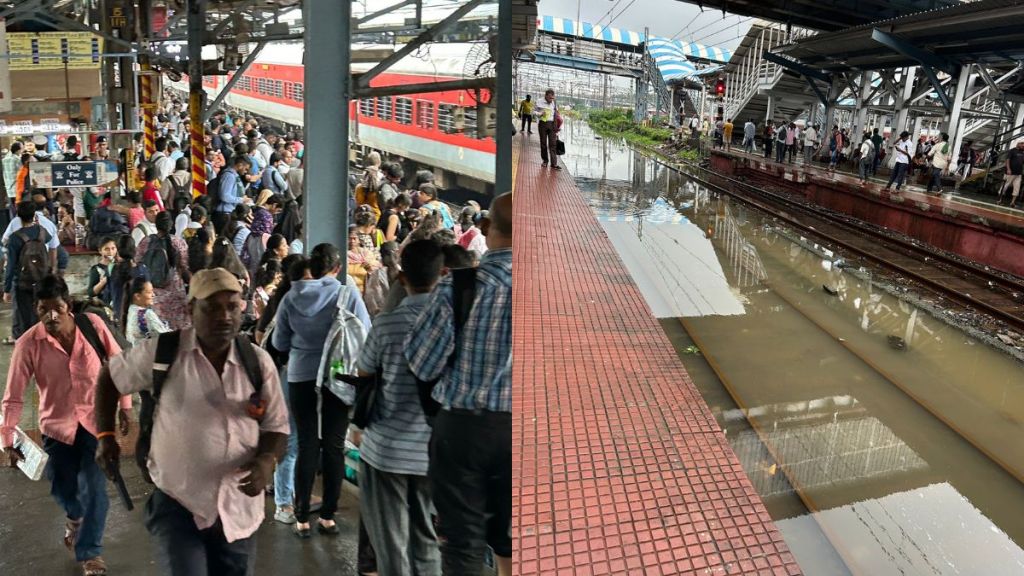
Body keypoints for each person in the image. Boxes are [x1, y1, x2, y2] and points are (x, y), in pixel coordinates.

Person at [95, 268, 289, 576]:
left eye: (232, 306)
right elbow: (109, 377)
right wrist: (105, 434)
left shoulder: (257, 363)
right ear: (190, 310)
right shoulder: (163, 352)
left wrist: (267, 460)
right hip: (177, 502)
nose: (224, 316)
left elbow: (276, 427)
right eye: (211, 308)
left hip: (237, 508)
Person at [405, 191, 512, 575]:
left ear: (485, 228)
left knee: (463, 547)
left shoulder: (461, 287)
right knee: (514, 539)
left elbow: (421, 362)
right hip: (526, 435)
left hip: (463, 430)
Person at [3, 275, 132, 576]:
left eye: (57, 308)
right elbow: (12, 397)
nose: (51, 316)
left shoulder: (93, 326)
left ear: (68, 306)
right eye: (43, 309)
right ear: (35, 309)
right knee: (64, 489)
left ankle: (90, 554)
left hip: (96, 425)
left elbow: (118, 365)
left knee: (96, 489)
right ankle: (74, 518)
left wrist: (125, 406)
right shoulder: (28, 344)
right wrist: (7, 439)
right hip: (56, 430)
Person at [356, 240, 444, 574]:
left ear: (402, 277)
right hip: (431, 451)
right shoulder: (449, 326)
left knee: (391, 542)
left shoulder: (386, 323)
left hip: (386, 450)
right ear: (441, 275)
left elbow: (365, 372)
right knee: (426, 537)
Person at [272, 243, 371, 538]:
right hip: (337, 378)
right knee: (334, 446)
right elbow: (364, 331)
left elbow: (279, 343)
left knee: (305, 445)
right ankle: (327, 516)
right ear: (336, 268)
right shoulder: (346, 293)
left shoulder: (290, 297)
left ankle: (301, 518)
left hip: (300, 377)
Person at [4, 200, 58, 341]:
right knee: (40, 309)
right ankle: (42, 336)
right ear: (34, 215)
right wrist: (52, 270)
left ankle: (23, 341)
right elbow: (53, 245)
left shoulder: (15, 238)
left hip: (21, 281)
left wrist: (6, 288)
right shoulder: (42, 232)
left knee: (22, 313)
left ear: (18, 216)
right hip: (41, 278)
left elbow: (10, 266)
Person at [138, 211, 191, 330]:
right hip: (175, 291)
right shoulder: (178, 243)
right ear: (171, 225)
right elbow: (184, 266)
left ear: (156, 225)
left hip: (154, 291)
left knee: (160, 328)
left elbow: (138, 262)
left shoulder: (145, 242)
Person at [122, 276, 171, 346]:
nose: (153, 295)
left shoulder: (130, 311)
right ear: (137, 296)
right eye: (149, 292)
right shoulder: (146, 314)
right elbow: (167, 337)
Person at [213, 155, 250, 234]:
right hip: (223, 214)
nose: (246, 171)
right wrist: (241, 200)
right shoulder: (229, 176)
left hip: (228, 212)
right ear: (240, 165)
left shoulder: (234, 176)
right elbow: (224, 196)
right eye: (246, 169)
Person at [86, 237, 118, 307]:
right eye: (107, 249)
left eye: (113, 248)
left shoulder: (119, 266)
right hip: (105, 305)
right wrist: (102, 283)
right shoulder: (97, 269)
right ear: (100, 251)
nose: (111, 252)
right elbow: (91, 293)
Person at [534, 89, 560, 170]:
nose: (551, 100)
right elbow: (534, 112)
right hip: (543, 124)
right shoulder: (539, 101)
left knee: (553, 144)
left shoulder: (554, 102)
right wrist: (540, 113)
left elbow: (557, 113)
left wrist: (558, 126)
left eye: (552, 98)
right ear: (545, 96)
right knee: (543, 143)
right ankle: (545, 161)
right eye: (549, 98)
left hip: (552, 124)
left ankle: (554, 164)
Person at [999, 140, 1024, 207]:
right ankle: (999, 200)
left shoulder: (1022, 152)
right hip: (1010, 172)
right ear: (1017, 143)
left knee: (1017, 188)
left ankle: (1012, 203)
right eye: (1022, 143)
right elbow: (1007, 160)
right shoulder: (1012, 151)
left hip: (1018, 173)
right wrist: (1008, 169)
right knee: (1005, 186)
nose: (1023, 145)